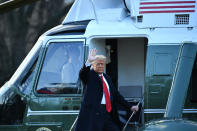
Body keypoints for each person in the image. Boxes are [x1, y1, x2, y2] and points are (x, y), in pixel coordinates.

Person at [75, 48, 139, 131]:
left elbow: (116, 95)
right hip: (94, 115)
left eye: (102, 64)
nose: (101, 66)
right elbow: (82, 74)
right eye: (98, 64)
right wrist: (88, 61)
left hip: (107, 114)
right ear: (93, 65)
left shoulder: (107, 78)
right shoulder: (89, 75)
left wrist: (130, 107)